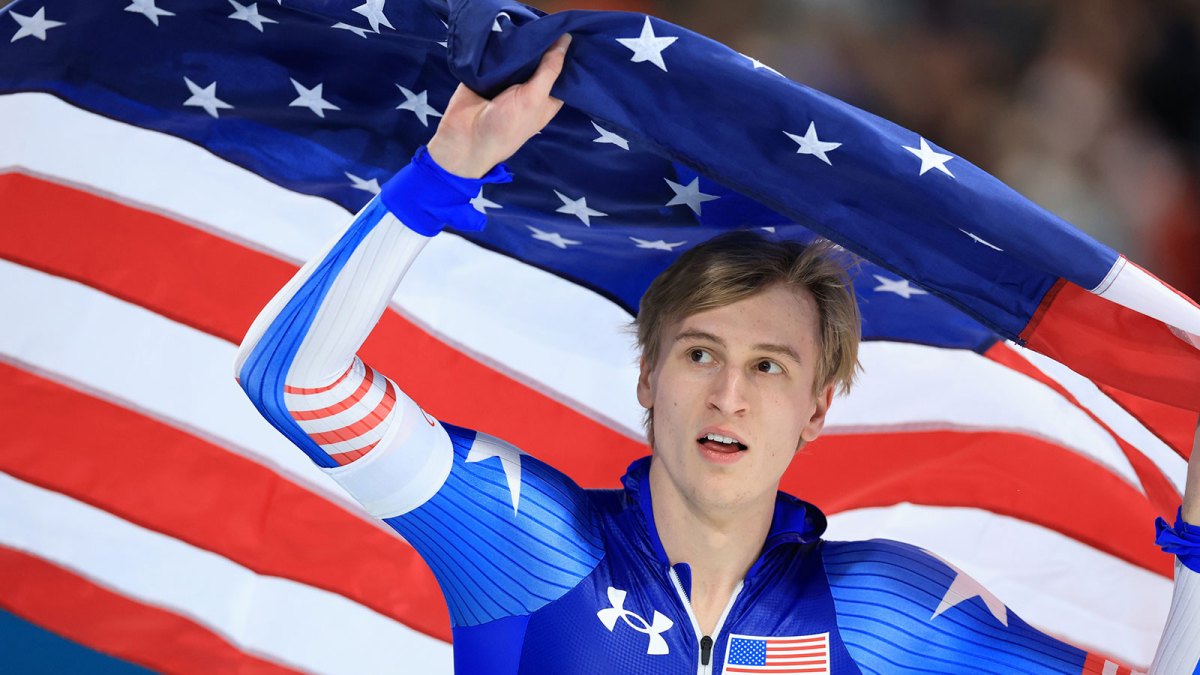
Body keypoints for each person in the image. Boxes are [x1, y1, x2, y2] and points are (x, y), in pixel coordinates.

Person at [235, 34, 1200, 674]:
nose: (730, 393)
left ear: (817, 407)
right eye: (700, 354)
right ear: (648, 378)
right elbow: (289, 381)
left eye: (770, 365)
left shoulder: (882, 609)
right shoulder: (529, 542)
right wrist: (442, 174)